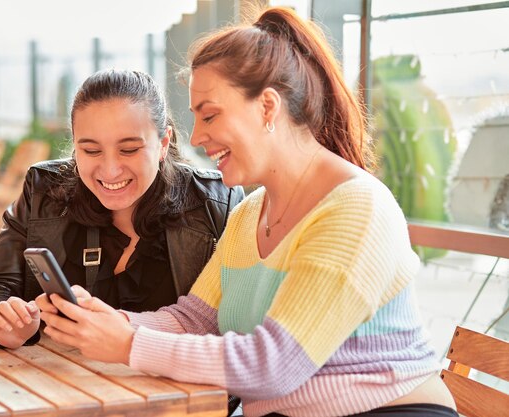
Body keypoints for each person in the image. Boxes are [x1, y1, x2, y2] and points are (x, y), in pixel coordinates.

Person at [35, 8, 458, 417]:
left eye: (210, 115)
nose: (197, 136)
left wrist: (128, 344)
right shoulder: (250, 213)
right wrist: (108, 321)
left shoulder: (356, 209)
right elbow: (196, 319)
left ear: (268, 107)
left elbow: (273, 365)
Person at [0, 69, 244, 350]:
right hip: (60, 386)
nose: (110, 170)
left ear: (163, 144)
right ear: (75, 145)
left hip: (179, 389)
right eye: (91, 151)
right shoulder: (43, 190)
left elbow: (233, 326)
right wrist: (5, 323)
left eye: (129, 150)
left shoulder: (217, 201)